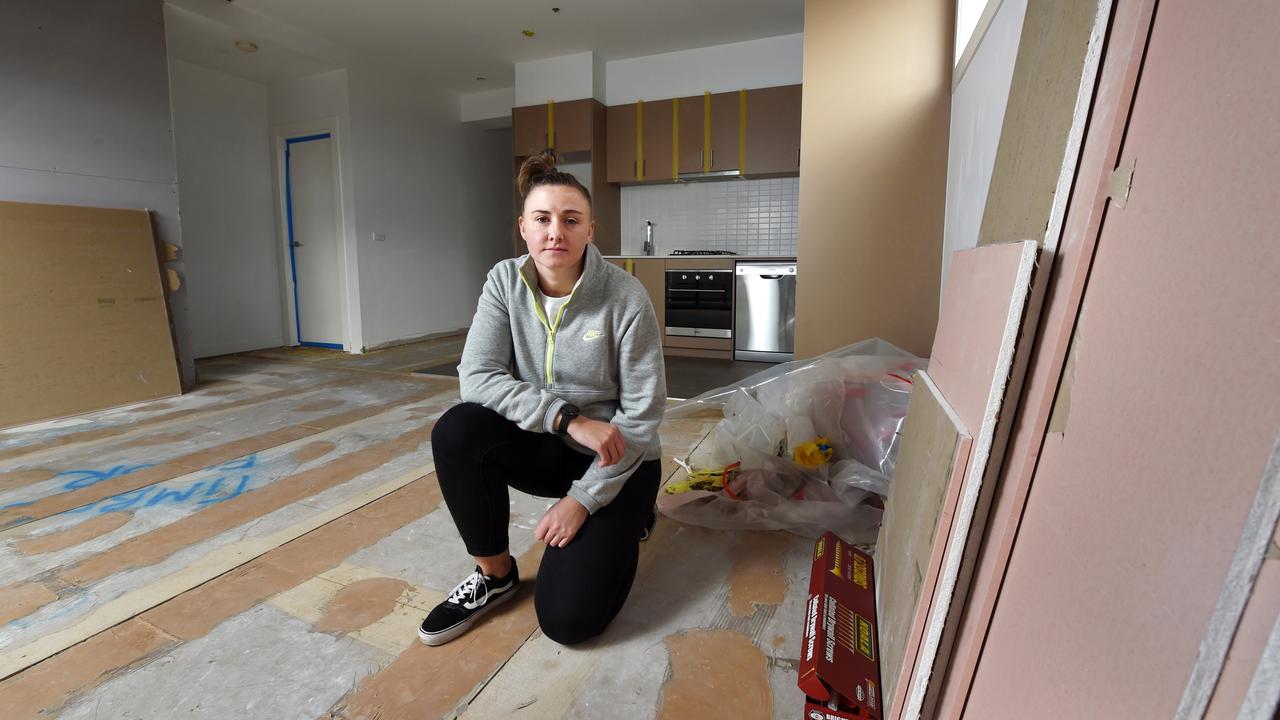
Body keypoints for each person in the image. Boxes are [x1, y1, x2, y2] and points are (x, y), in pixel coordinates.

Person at [418, 149, 667, 647]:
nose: (556, 232)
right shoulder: (504, 281)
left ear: (590, 230)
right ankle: (495, 576)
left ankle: (633, 513)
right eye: (543, 219)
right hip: (551, 442)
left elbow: (641, 417)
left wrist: (582, 500)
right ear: (524, 228)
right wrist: (565, 418)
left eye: (571, 220)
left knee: (567, 621)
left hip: (619, 458)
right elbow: (478, 376)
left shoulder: (625, 296)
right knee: (459, 430)